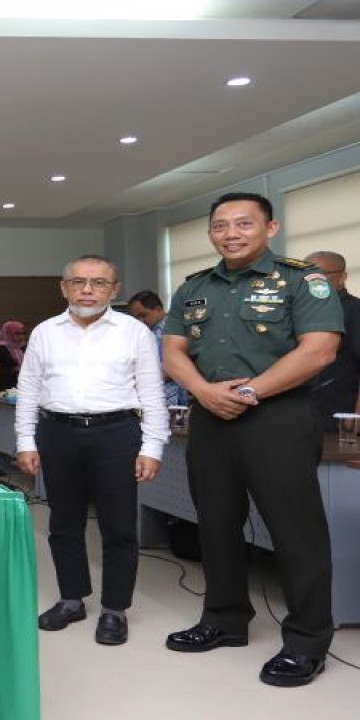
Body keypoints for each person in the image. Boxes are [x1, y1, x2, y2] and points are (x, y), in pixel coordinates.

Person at [162, 191, 341, 687]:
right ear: (211, 233)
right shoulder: (194, 286)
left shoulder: (303, 280)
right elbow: (173, 350)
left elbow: (319, 351)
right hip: (209, 414)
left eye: (244, 223)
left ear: (270, 228)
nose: (231, 234)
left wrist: (247, 392)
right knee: (215, 523)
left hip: (276, 415)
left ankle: (307, 641)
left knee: (296, 530)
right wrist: (203, 392)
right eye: (221, 226)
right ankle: (224, 619)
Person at [15, 254, 167, 646]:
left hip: (116, 434)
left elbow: (152, 391)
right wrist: (25, 441)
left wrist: (152, 446)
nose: (88, 290)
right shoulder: (45, 332)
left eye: (99, 283)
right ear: (63, 287)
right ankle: (72, 599)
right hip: (57, 432)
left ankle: (115, 609)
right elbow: (28, 389)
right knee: (63, 523)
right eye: (78, 282)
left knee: (119, 526)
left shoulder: (134, 332)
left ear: (114, 290)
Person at [302, 251, 360, 428]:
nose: (312, 281)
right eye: (305, 275)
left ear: (342, 277)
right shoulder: (299, 311)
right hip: (298, 415)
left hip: (338, 416)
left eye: (320, 275)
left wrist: (357, 416)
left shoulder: (355, 310)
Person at [127, 290, 188, 407]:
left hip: (171, 397)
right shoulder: (150, 331)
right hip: (160, 394)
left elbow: (173, 367)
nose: (140, 321)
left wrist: (143, 381)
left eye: (143, 315)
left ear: (158, 309)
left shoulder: (171, 330)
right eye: (136, 317)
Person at [0, 320, 27, 393]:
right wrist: (14, 369)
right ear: (8, 334)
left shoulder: (23, 347)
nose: (21, 336)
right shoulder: (1, 349)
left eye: (23, 334)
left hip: (22, 385)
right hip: (5, 386)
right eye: (17, 334)